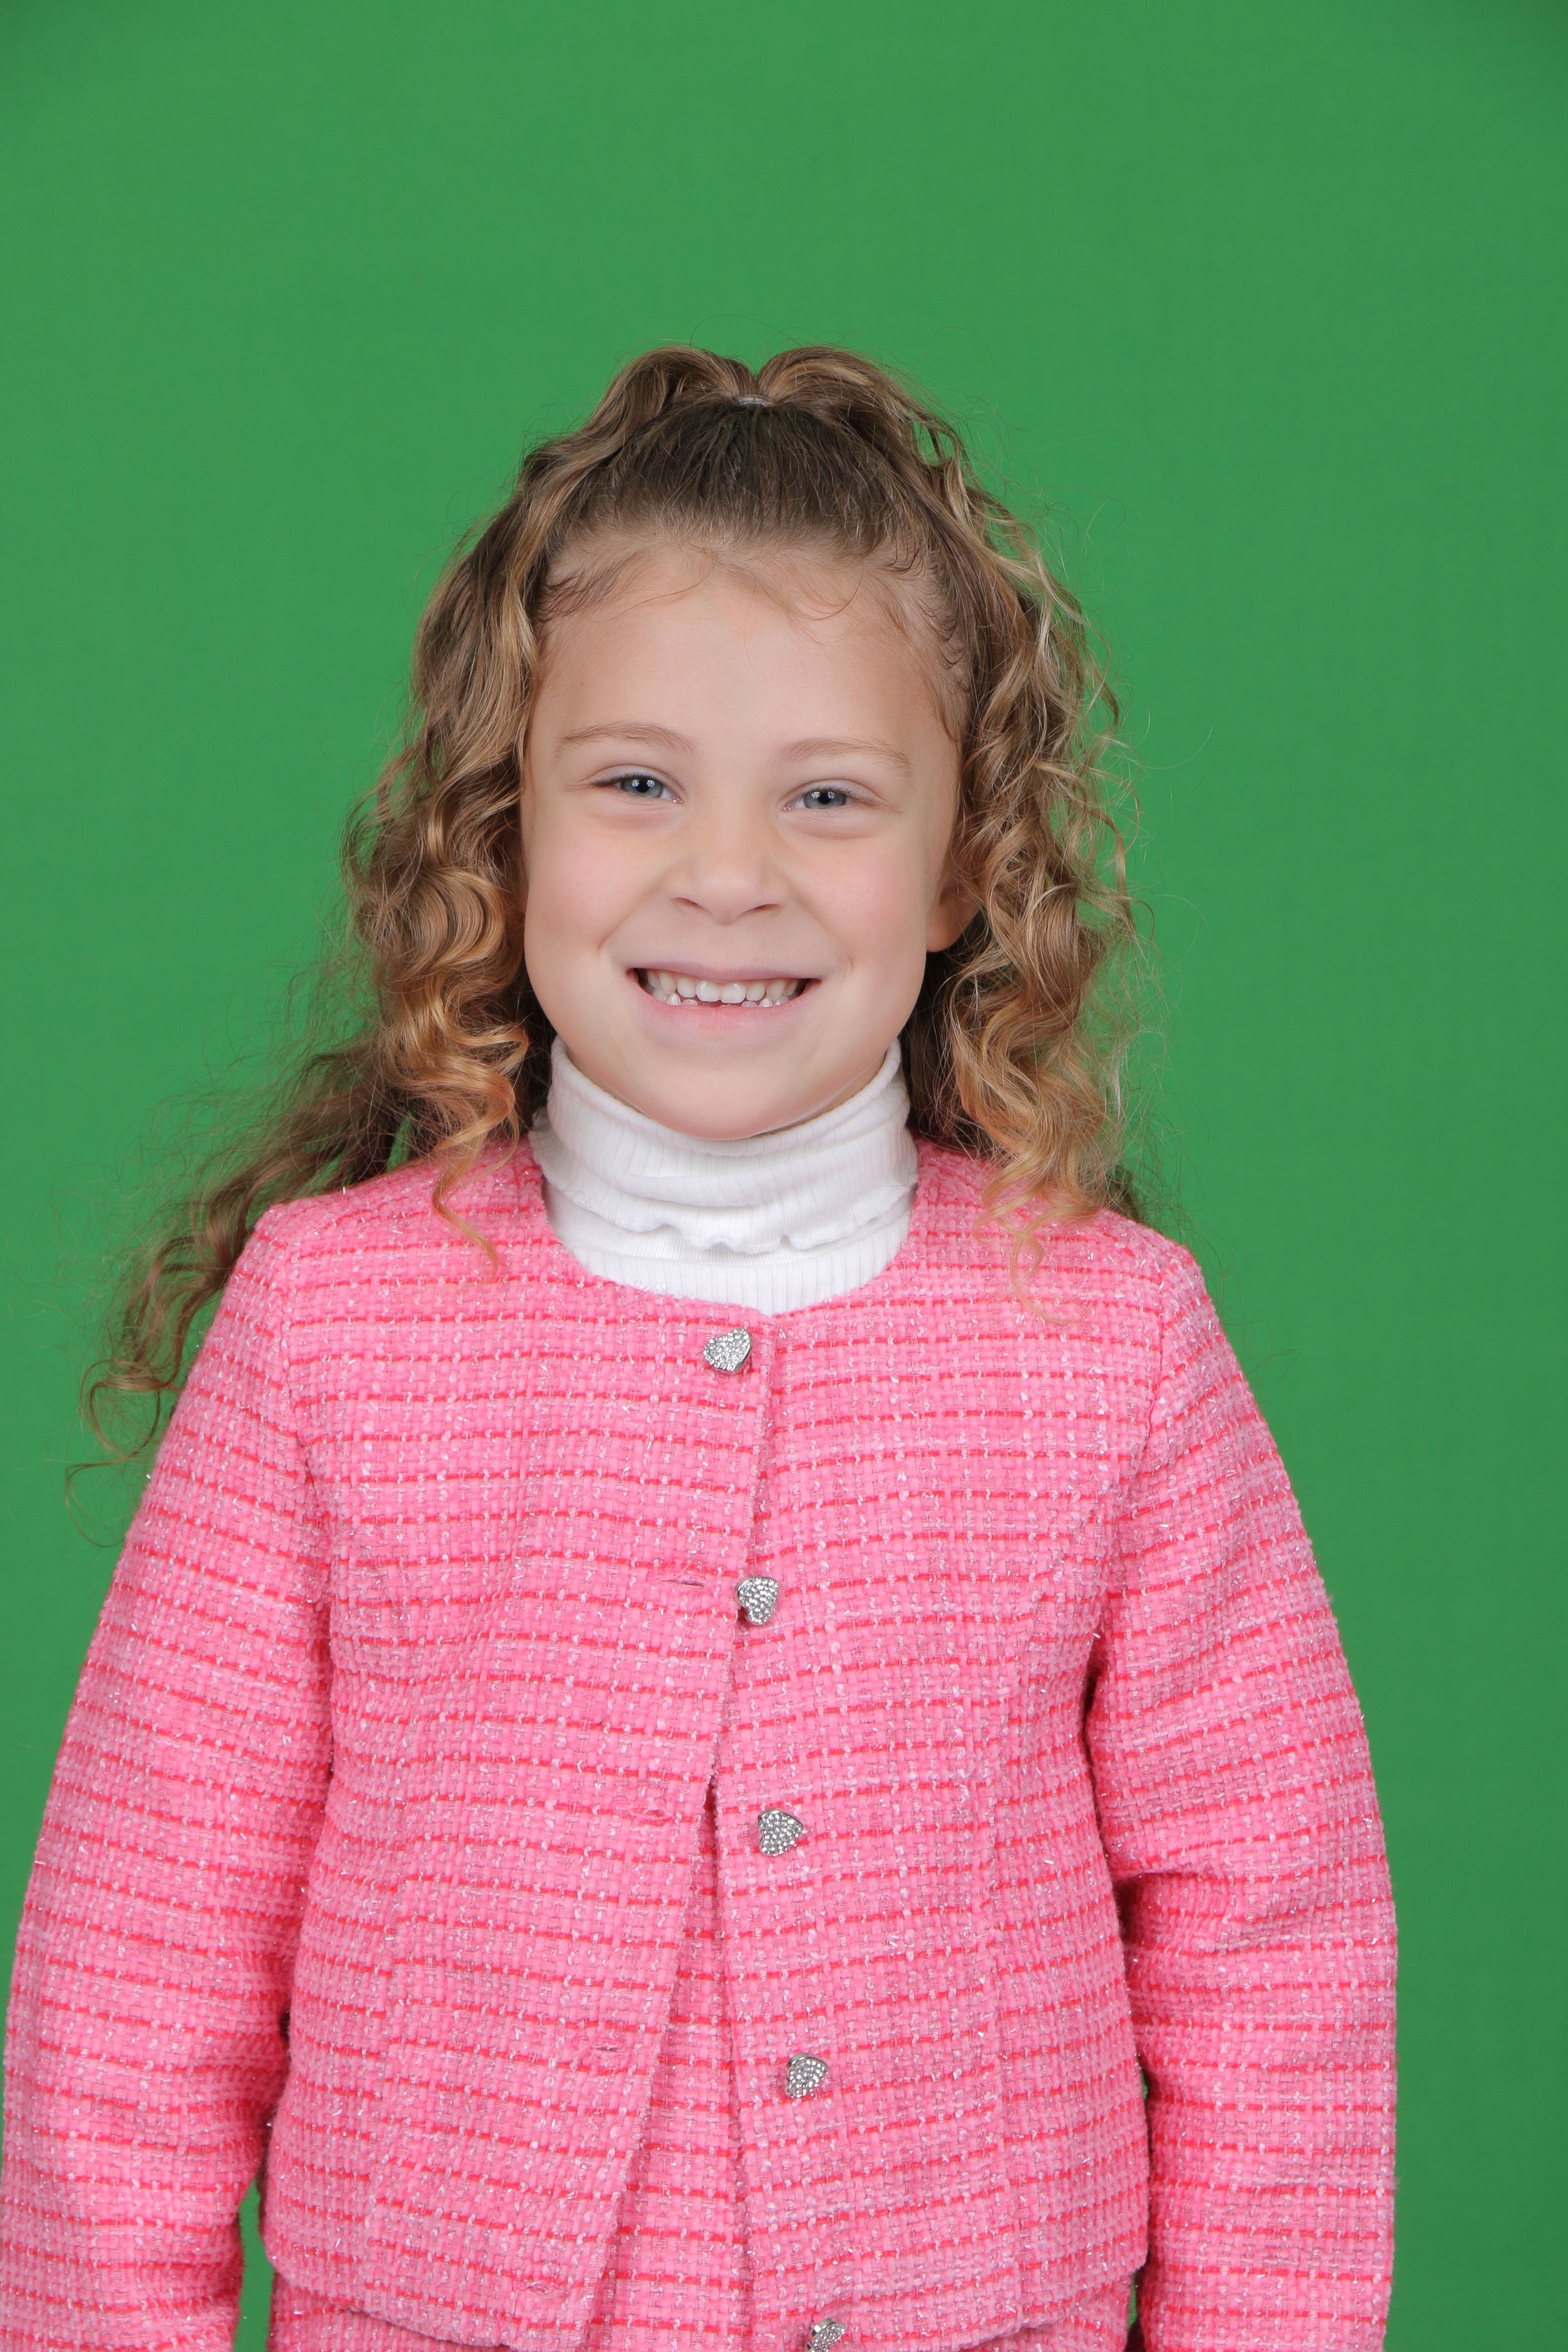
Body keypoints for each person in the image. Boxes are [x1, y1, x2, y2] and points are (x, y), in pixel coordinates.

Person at [0, 346, 1396, 2352]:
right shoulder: (329, 1324)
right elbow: (138, 1966)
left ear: (959, 864)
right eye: (637, 781)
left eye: (828, 796)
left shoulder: (1115, 1340)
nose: (727, 874)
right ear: (508, 830)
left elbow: (1277, 1950)